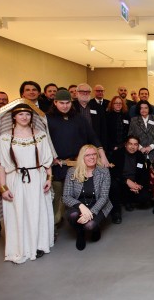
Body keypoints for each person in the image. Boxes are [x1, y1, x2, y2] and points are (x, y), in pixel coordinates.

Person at [0, 102, 55, 262]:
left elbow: (47, 161)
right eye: (21, 114)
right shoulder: (5, 137)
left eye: (27, 114)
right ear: (14, 117)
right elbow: (1, 165)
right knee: (18, 212)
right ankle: (21, 247)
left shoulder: (40, 135)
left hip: (37, 177)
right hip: (15, 179)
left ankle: (38, 245)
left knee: (37, 211)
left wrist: (49, 178)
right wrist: (3, 188)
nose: (24, 117)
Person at [47, 89, 109, 230]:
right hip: (58, 165)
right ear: (55, 102)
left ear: (71, 102)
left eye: (67, 102)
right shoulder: (47, 119)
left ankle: (82, 217)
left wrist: (102, 155)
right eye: (61, 103)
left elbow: (92, 136)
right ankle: (54, 226)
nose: (65, 106)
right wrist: (51, 158)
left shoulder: (79, 118)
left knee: (80, 193)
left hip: (78, 164)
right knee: (57, 196)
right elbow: (43, 142)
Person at [63, 145, 112, 251]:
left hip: (98, 204)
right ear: (82, 157)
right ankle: (80, 233)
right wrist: (81, 207)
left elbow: (104, 197)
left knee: (90, 226)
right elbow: (66, 196)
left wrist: (91, 213)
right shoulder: (72, 171)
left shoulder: (104, 172)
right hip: (79, 204)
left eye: (94, 154)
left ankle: (96, 229)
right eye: (88, 155)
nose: (92, 157)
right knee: (73, 215)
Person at [110, 136, 151, 223]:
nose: (133, 147)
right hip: (121, 182)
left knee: (146, 197)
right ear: (126, 144)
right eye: (130, 144)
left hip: (134, 183)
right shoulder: (117, 154)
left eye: (135, 144)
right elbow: (113, 172)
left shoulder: (140, 155)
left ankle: (128, 200)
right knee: (113, 185)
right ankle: (116, 212)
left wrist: (138, 185)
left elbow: (144, 173)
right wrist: (126, 181)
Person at [128, 100, 154, 165]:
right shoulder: (134, 120)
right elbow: (130, 136)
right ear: (139, 109)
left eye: (146, 108)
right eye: (141, 108)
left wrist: (151, 147)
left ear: (149, 109)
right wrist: (140, 148)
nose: (143, 110)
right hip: (138, 153)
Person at [73, 83, 108, 148]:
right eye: (82, 91)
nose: (85, 93)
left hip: (94, 143)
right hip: (76, 143)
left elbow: (103, 128)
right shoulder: (71, 107)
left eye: (88, 92)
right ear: (77, 93)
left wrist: (103, 147)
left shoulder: (98, 107)